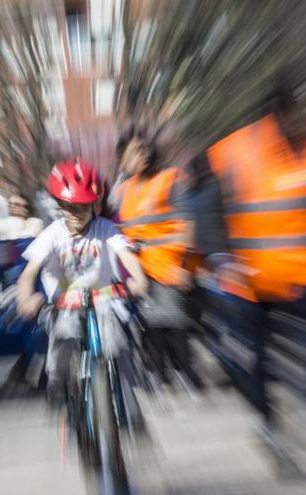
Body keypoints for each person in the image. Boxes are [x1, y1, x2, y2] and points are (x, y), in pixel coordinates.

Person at [202, 72, 306, 474]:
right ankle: (269, 425)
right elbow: (206, 210)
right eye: (302, 109)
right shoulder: (235, 151)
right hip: (249, 286)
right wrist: (221, 255)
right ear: (282, 109)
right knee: (254, 364)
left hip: (301, 280)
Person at [16, 159, 149, 406]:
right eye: (70, 206)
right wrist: (26, 297)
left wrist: (138, 279)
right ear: (59, 205)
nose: (77, 213)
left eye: (84, 206)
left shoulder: (105, 229)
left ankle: (130, 405)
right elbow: (28, 273)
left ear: (95, 204)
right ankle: (59, 384)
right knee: (64, 338)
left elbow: (126, 256)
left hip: (104, 299)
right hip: (65, 303)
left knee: (117, 345)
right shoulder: (52, 233)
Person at [113, 124, 206, 389]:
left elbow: (188, 223)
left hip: (170, 268)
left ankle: (184, 372)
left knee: (175, 324)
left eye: (142, 149)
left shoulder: (170, 179)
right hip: (139, 271)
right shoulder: (122, 191)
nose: (140, 155)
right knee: (148, 326)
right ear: (122, 160)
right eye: (132, 152)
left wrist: (187, 266)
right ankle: (157, 372)